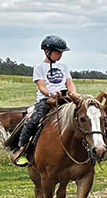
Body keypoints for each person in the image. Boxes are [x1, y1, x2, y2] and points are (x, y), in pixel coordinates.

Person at [12, 34, 79, 163]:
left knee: (87, 114)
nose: (60, 55)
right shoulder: (39, 68)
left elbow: (69, 83)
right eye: (58, 52)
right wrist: (51, 93)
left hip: (65, 99)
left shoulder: (64, 67)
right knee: (33, 121)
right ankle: (22, 149)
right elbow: (41, 86)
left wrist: (73, 94)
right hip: (46, 100)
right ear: (47, 52)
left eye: (61, 52)